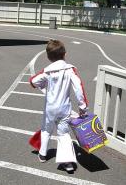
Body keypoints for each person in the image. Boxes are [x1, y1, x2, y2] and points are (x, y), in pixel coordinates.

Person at [29, 39, 88, 172]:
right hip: (64, 108)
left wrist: (44, 84)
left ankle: (42, 154)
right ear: (64, 54)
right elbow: (79, 89)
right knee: (63, 133)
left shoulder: (47, 71)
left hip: (50, 108)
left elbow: (33, 81)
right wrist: (82, 107)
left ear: (48, 57)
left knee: (46, 129)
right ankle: (67, 163)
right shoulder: (70, 69)